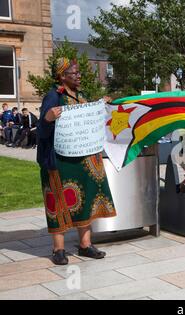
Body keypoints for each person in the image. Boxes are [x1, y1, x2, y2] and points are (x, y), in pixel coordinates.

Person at [37, 57, 117, 265]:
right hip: (60, 161)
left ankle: (85, 245)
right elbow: (41, 130)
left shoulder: (81, 96)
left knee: (86, 199)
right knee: (58, 201)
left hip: (83, 159)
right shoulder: (53, 97)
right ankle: (59, 249)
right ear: (62, 76)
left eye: (79, 72)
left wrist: (101, 106)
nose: (79, 75)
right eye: (74, 73)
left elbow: (89, 119)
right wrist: (48, 118)